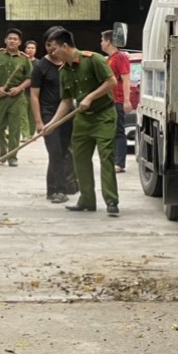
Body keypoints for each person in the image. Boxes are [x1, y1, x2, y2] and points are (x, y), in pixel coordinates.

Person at [45, 27, 119, 217]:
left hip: (103, 116)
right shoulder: (64, 71)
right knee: (80, 160)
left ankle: (111, 200)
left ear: (65, 46)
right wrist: (52, 124)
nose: (51, 53)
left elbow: (111, 82)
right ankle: (86, 200)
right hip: (83, 120)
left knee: (106, 157)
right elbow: (66, 101)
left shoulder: (93, 59)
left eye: (53, 48)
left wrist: (90, 97)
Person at [30, 29, 76, 203]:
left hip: (67, 114)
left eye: (53, 45)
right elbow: (34, 96)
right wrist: (39, 121)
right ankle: (59, 190)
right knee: (55, 151)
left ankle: (52, 189)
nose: (50, 49)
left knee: (63, 152)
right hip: (48, 113)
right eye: (47, 45)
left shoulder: (68, 64)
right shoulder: (40, 67)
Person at [0, 28, 32, 165]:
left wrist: (19, 88)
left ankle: (12, 157)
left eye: (15, 39)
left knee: (15, 128)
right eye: (10, 38)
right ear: (5, 40)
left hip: (17, 98)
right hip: (0, 97)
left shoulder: (24, 59)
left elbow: (30, 78)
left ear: (19, 42)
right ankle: (3, 150)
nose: (12, 41)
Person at [100, 30, 133, 173]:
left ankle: (120, 163)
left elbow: (126, 79)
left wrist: (126, 100)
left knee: (119, 131)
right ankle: (113, 160)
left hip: (118, 100)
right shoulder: (108, 59)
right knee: (110, 132)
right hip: (108, 100)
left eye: (102, 40)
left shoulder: (120, 57)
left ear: (108, 41)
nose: (101, 43)